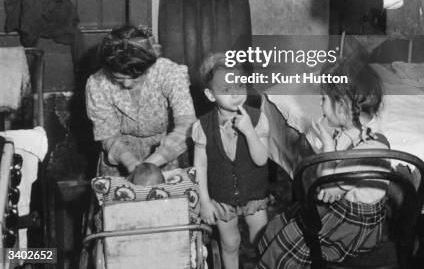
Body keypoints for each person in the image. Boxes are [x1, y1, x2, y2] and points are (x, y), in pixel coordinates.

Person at [256, 52, 390, 268]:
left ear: (343, 105)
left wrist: (327, 147)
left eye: (324, 98)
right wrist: (328, 152)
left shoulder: (371, 147)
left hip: (352, 224)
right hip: (339, 208)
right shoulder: (349, 134)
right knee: (274, 229)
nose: (320, 103)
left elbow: (326, 189)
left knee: (283, 248)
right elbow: (325, 184)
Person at [86, 24, 196, 179]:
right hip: (120, 159)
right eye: (118, 78)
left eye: (135, 78)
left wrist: (150, 165)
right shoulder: (97, 83)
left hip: (165, 155)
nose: (126, 85)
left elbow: (187, 125)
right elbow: (107, 134)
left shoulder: (169, 73)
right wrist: (131, 163)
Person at [192, 53, 269, 269]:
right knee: (230, 242)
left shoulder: (257, 118)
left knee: (261, 240)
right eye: (226, 90)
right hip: (222, 195)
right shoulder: (202, 126)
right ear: (210, 94)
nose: (235, 94)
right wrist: (205, 201)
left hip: (254, 193)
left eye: (239, 86)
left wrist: (249, 132)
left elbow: (262, 159)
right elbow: (200, 165)